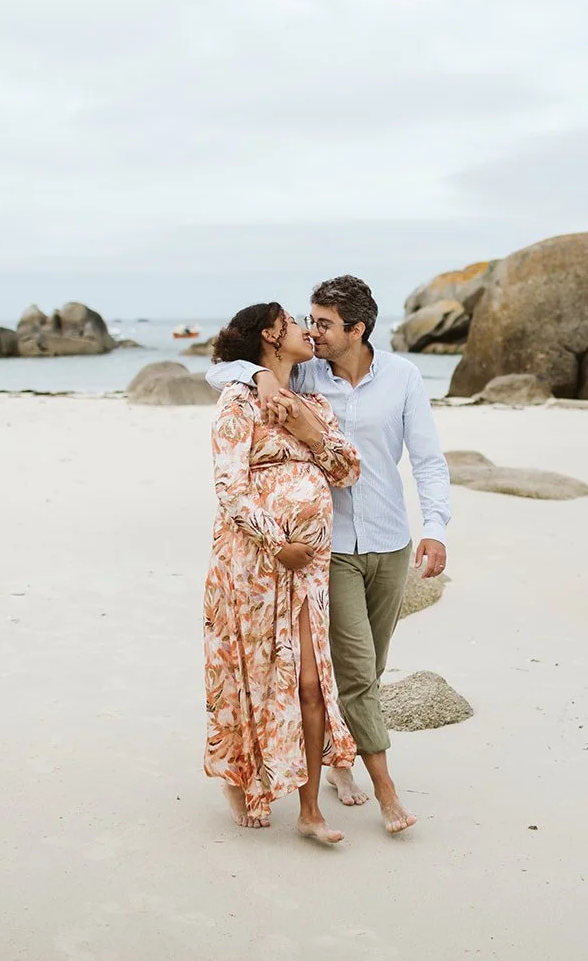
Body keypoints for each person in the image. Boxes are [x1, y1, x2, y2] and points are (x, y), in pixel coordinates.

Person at [207, 275, 450, 835]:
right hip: (316, 555)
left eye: (322, 323)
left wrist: (435, 526)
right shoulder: (286, 378)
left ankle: (337, 760)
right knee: (325, 672)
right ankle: (376, 788)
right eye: (304, 322)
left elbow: (415, 461)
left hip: (387, 541)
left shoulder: (396, 379)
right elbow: (223, 366)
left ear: (356, 330)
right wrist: (260, 373)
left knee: (366, 668)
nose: (312, 331)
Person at [203, 302, 362, 844]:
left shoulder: (312, 402)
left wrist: (310, 431)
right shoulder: (237, 401)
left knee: (311, 681)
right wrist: (277, 543)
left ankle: (310, 811)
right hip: (251, 562)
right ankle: (241, 777)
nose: (305, 330)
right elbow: (229, 489)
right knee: (251, 672)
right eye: (295, 323)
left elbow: (346, 472)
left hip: (308, 566)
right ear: (271, 336)